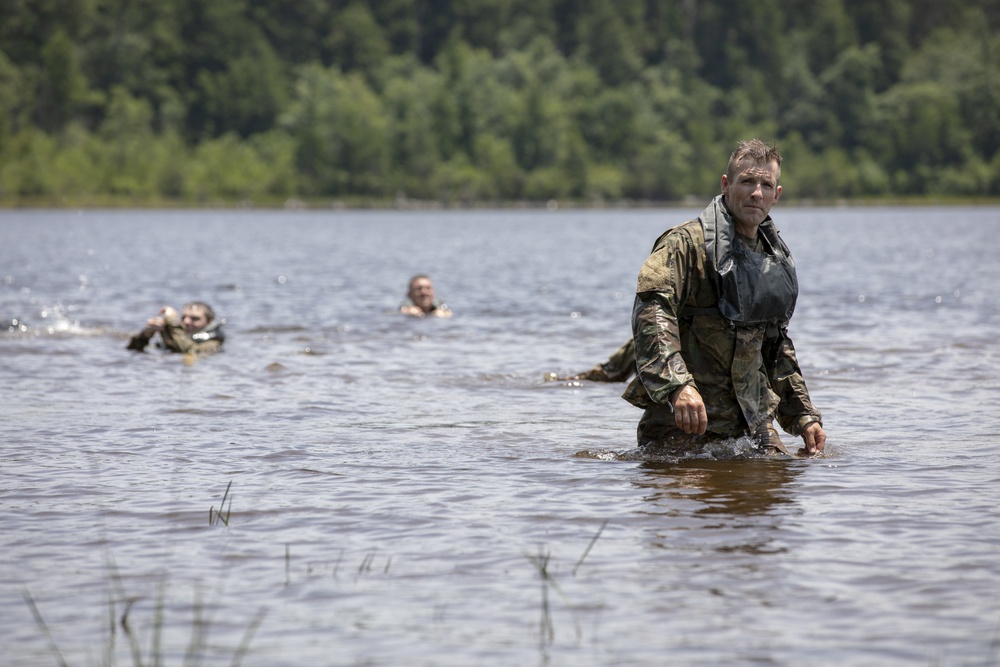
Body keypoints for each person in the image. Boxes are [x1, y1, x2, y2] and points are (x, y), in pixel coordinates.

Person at [623, 139, 826, 457]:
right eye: (747, 181)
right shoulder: (684, 245)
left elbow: (776, 346)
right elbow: (652, 314)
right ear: (726, 184)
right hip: (686, 421)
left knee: (784, 488)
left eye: (766, 184)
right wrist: (678, 386)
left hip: (753, 422)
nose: (756, 193)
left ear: (777, 195)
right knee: (684, 495)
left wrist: (803, 415)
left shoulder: (774, 260)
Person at [127, 301, 225, 354]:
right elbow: (132, 350)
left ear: (209, 321)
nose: (186, 321)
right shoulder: (175, 333)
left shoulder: (214, 343)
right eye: (183, 317)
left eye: (195, 318)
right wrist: (147, 334)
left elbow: (190, 350)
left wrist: (173, 322)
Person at [566, 338, 636, 382]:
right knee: (576, 379)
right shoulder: (638, 342)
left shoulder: (638, 341)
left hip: (611, 374)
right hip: (605, 374)